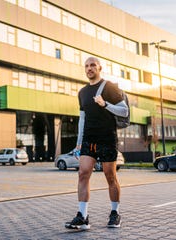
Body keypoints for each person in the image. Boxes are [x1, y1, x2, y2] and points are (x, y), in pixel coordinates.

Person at [65, 57, 128, 230]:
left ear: (100, 68)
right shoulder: (82, 92)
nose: (89, 68)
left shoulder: (110, 87)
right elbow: (82, 118)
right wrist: (79, 142)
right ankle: (83, 217)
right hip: (89, 140)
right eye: (86, 66)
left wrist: (105, 103)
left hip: (107, 138)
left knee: (110, 176)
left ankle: (115, 213)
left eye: (93, 65)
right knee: (83, 174)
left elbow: (124, 110)